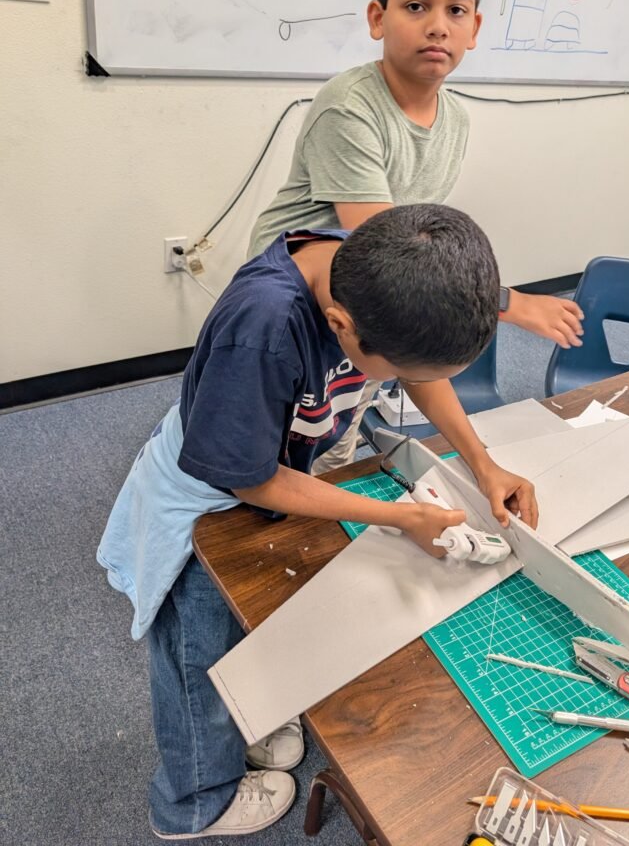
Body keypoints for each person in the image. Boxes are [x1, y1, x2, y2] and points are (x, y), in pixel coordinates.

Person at [98, 204, 538, 840]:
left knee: (249, 627)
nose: (404, 382)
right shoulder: (263, 328)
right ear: (340, 326)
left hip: (273, 466)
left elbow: (418, 372)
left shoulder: (372, 268)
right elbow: (248, 478)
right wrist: (399, 517)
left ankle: (244, 724)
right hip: (207, 505)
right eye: (397, 372)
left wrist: (482, 463)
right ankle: (193, 802)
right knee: (198, 658)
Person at [247, 0, 583, 469]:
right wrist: (509, 303)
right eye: (416, 6)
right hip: (297, 299)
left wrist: (481, 463)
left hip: (367, 298)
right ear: (378, 18)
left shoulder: (455, 121)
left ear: (475, 28)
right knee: (269, 445)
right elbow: (385, 257)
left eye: (456, 10)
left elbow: (406, 270)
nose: (438, 26)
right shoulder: (349, 107)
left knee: (337, 438)